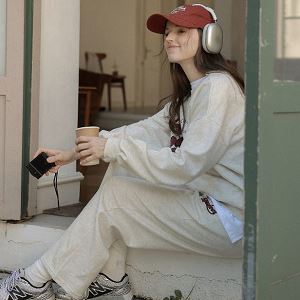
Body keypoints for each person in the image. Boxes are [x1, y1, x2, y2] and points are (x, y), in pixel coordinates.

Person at [0, 4, 245, 300]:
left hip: (231, 219)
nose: (170, 38)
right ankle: (112, 280)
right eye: (167, 32)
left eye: (181, 31)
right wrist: (71, 155)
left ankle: (32, 282)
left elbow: (185, 165)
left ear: (210, 37)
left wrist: (112, 148)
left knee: (118, 193)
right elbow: (138, 132)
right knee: (121, 167)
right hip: (207, 203)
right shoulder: (192, 94)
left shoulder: (219, 89)